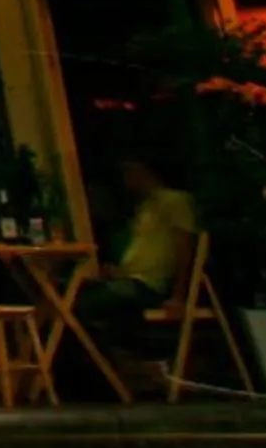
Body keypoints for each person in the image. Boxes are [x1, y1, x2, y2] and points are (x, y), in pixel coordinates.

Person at [77, 153, 198, 361]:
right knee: (77, 295)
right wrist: (117, 271)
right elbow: (145, 252)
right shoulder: (144, 208)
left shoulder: (175, 201)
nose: (126, 180)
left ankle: (110, 364)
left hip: (149, 285)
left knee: (83, 304)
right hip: (131, 280)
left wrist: (179, 294)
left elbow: (184, 247)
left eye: (129, 172)